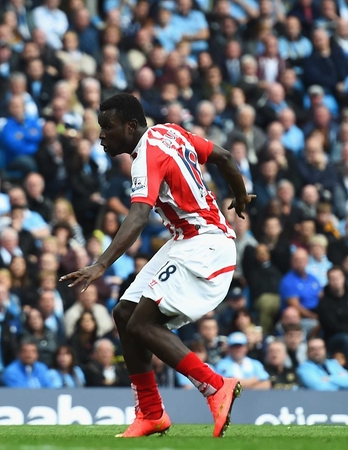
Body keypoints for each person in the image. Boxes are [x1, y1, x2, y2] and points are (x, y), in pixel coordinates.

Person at [61, 93, 254, 438]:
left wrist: (101, 265)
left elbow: (138, 216)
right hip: (188, 240)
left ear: (130, 126)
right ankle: (150, 413)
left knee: (143, 324)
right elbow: (223, 157)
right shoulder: (170, 132)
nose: (102, 134)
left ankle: (215, 385)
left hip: (204, 245)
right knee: (124, 314)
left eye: (108, 127)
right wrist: (239, 194)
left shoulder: (145, 158)